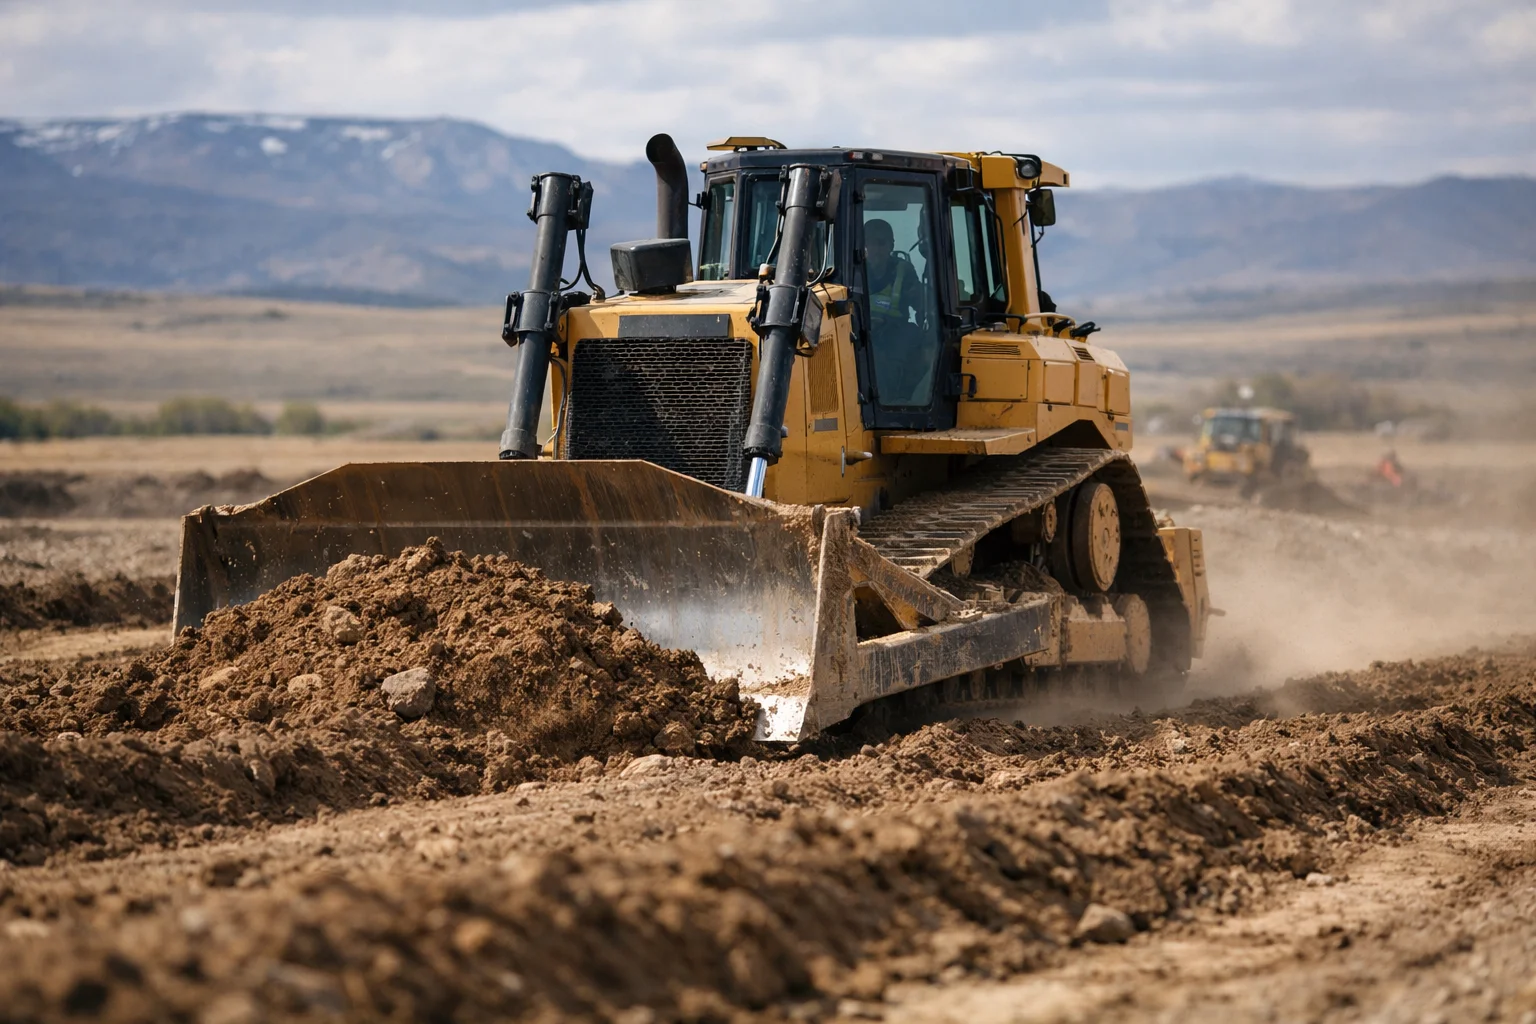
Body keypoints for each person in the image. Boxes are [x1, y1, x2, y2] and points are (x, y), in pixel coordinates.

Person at [863, 217, 933, 404]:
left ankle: (899, 398)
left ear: (891, 245)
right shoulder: (851, 271)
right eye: (870, 242)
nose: (876, 248)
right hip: (860, 332)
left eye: (881, 242)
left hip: (895, 333)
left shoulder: (904, 271)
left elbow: (920, 305)